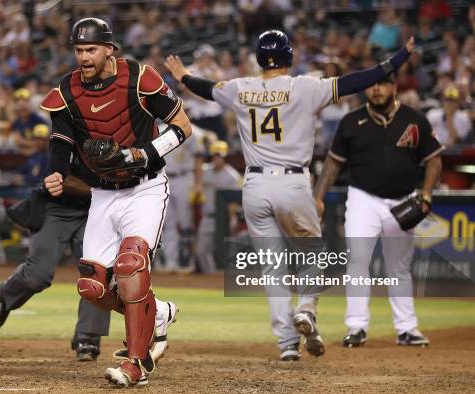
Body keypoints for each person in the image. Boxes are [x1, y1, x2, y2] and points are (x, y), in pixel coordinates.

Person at [165, 30, 416, 361]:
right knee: (314, 256)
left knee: (272, 269)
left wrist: (182, 74)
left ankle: (286, 345)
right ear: (289, 57)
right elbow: (358, 81)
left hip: (254, 186)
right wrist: (397, 59)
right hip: (293, 183)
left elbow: (204, 89)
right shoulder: (306, 86)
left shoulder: (240, 88)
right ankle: (307, 309)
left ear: (258, 58)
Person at [40, 17, 192, 387]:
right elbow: (61, 139)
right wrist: (57, 171)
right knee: (92, 287)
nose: (84, 57)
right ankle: (157, 314)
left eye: (90, 49)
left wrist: (142, 155)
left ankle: (136, 364)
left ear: (110, 49)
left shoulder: (141, 78)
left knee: (131, 265)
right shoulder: (68, 89)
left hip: (145, 187)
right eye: (78, 50)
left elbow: (183, 127)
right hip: (103, 194)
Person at [313, 73, 443, 348]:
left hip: (403, 199)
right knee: (358, 261)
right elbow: (333, 164)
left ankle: (407, 329)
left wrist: (427, 193)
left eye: (382, 83)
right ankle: (356, 327)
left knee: (399, 266)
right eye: (372, 84)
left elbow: (434, 160)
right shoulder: (351, 121)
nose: (376, 89)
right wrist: (319, 197)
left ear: (394, 86)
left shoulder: (414, 118)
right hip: (363, 198)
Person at [0, 160, 112, 362]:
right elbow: (64, 180)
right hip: (56, 206)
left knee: (98, 271)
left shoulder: (120, 137)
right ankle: (4, 296)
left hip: (96, 211)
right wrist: (108, 188)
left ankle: (88, 335)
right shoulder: (70, 133)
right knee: (38, 275)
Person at [158, 122, 204, 273]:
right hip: (164, 177)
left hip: (184, 177)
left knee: (185, 222)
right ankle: (171, 261)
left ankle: (186, 261)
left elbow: (198, 159)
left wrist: (198, 184)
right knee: (168, 222)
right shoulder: (159, 129)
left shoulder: (192, 131)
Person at [195, 140, 241, 274]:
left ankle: (224, 280)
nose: (216, 158)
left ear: (225, 157)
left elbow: (234, 202)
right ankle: (210, 277)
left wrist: (232, 221)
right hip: (208, 218)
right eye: (214, 155)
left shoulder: (232, 175)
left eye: (219, 155)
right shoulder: (206, 170)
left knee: (227, 254)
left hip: (225, 219)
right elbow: (197, 169)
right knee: (201, 251)